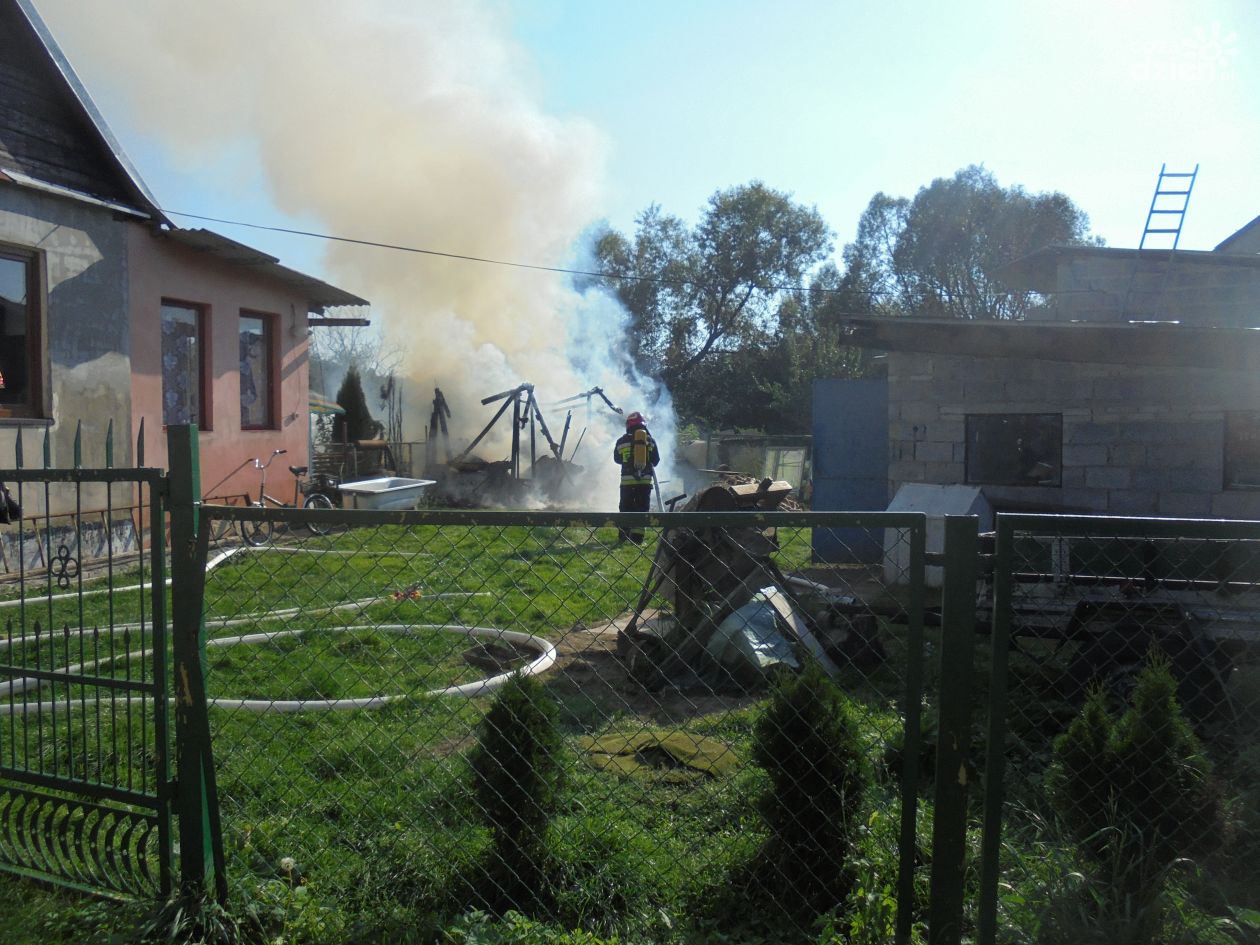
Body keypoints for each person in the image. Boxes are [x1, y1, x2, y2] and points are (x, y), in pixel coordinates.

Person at [613, 411, 659, 543]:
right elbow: (656, 460)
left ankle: (623, 535)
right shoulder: (650, 441)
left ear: (628, 425)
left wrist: (628, 460)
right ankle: (637, 539)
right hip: (644, 483)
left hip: (627, 483)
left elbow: (617, 459)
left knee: (625, 508)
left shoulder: (621, 441)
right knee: (642, 509)